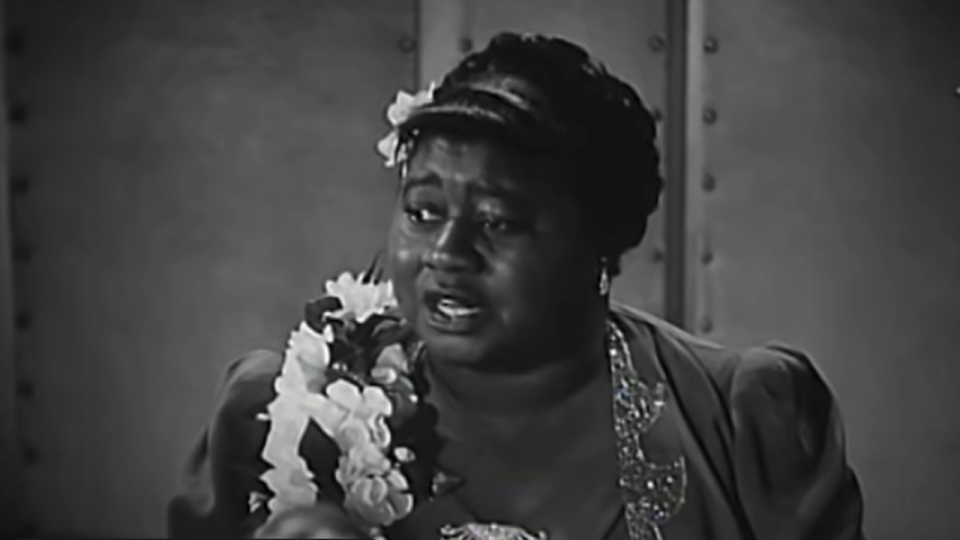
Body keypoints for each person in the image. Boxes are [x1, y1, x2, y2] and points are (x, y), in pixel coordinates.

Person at [166, 32, 865, 540]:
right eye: (422, 210)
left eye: (498, 222)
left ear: (602, 238)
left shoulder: (743, 422)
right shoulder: (272, 418)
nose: (446, 252)